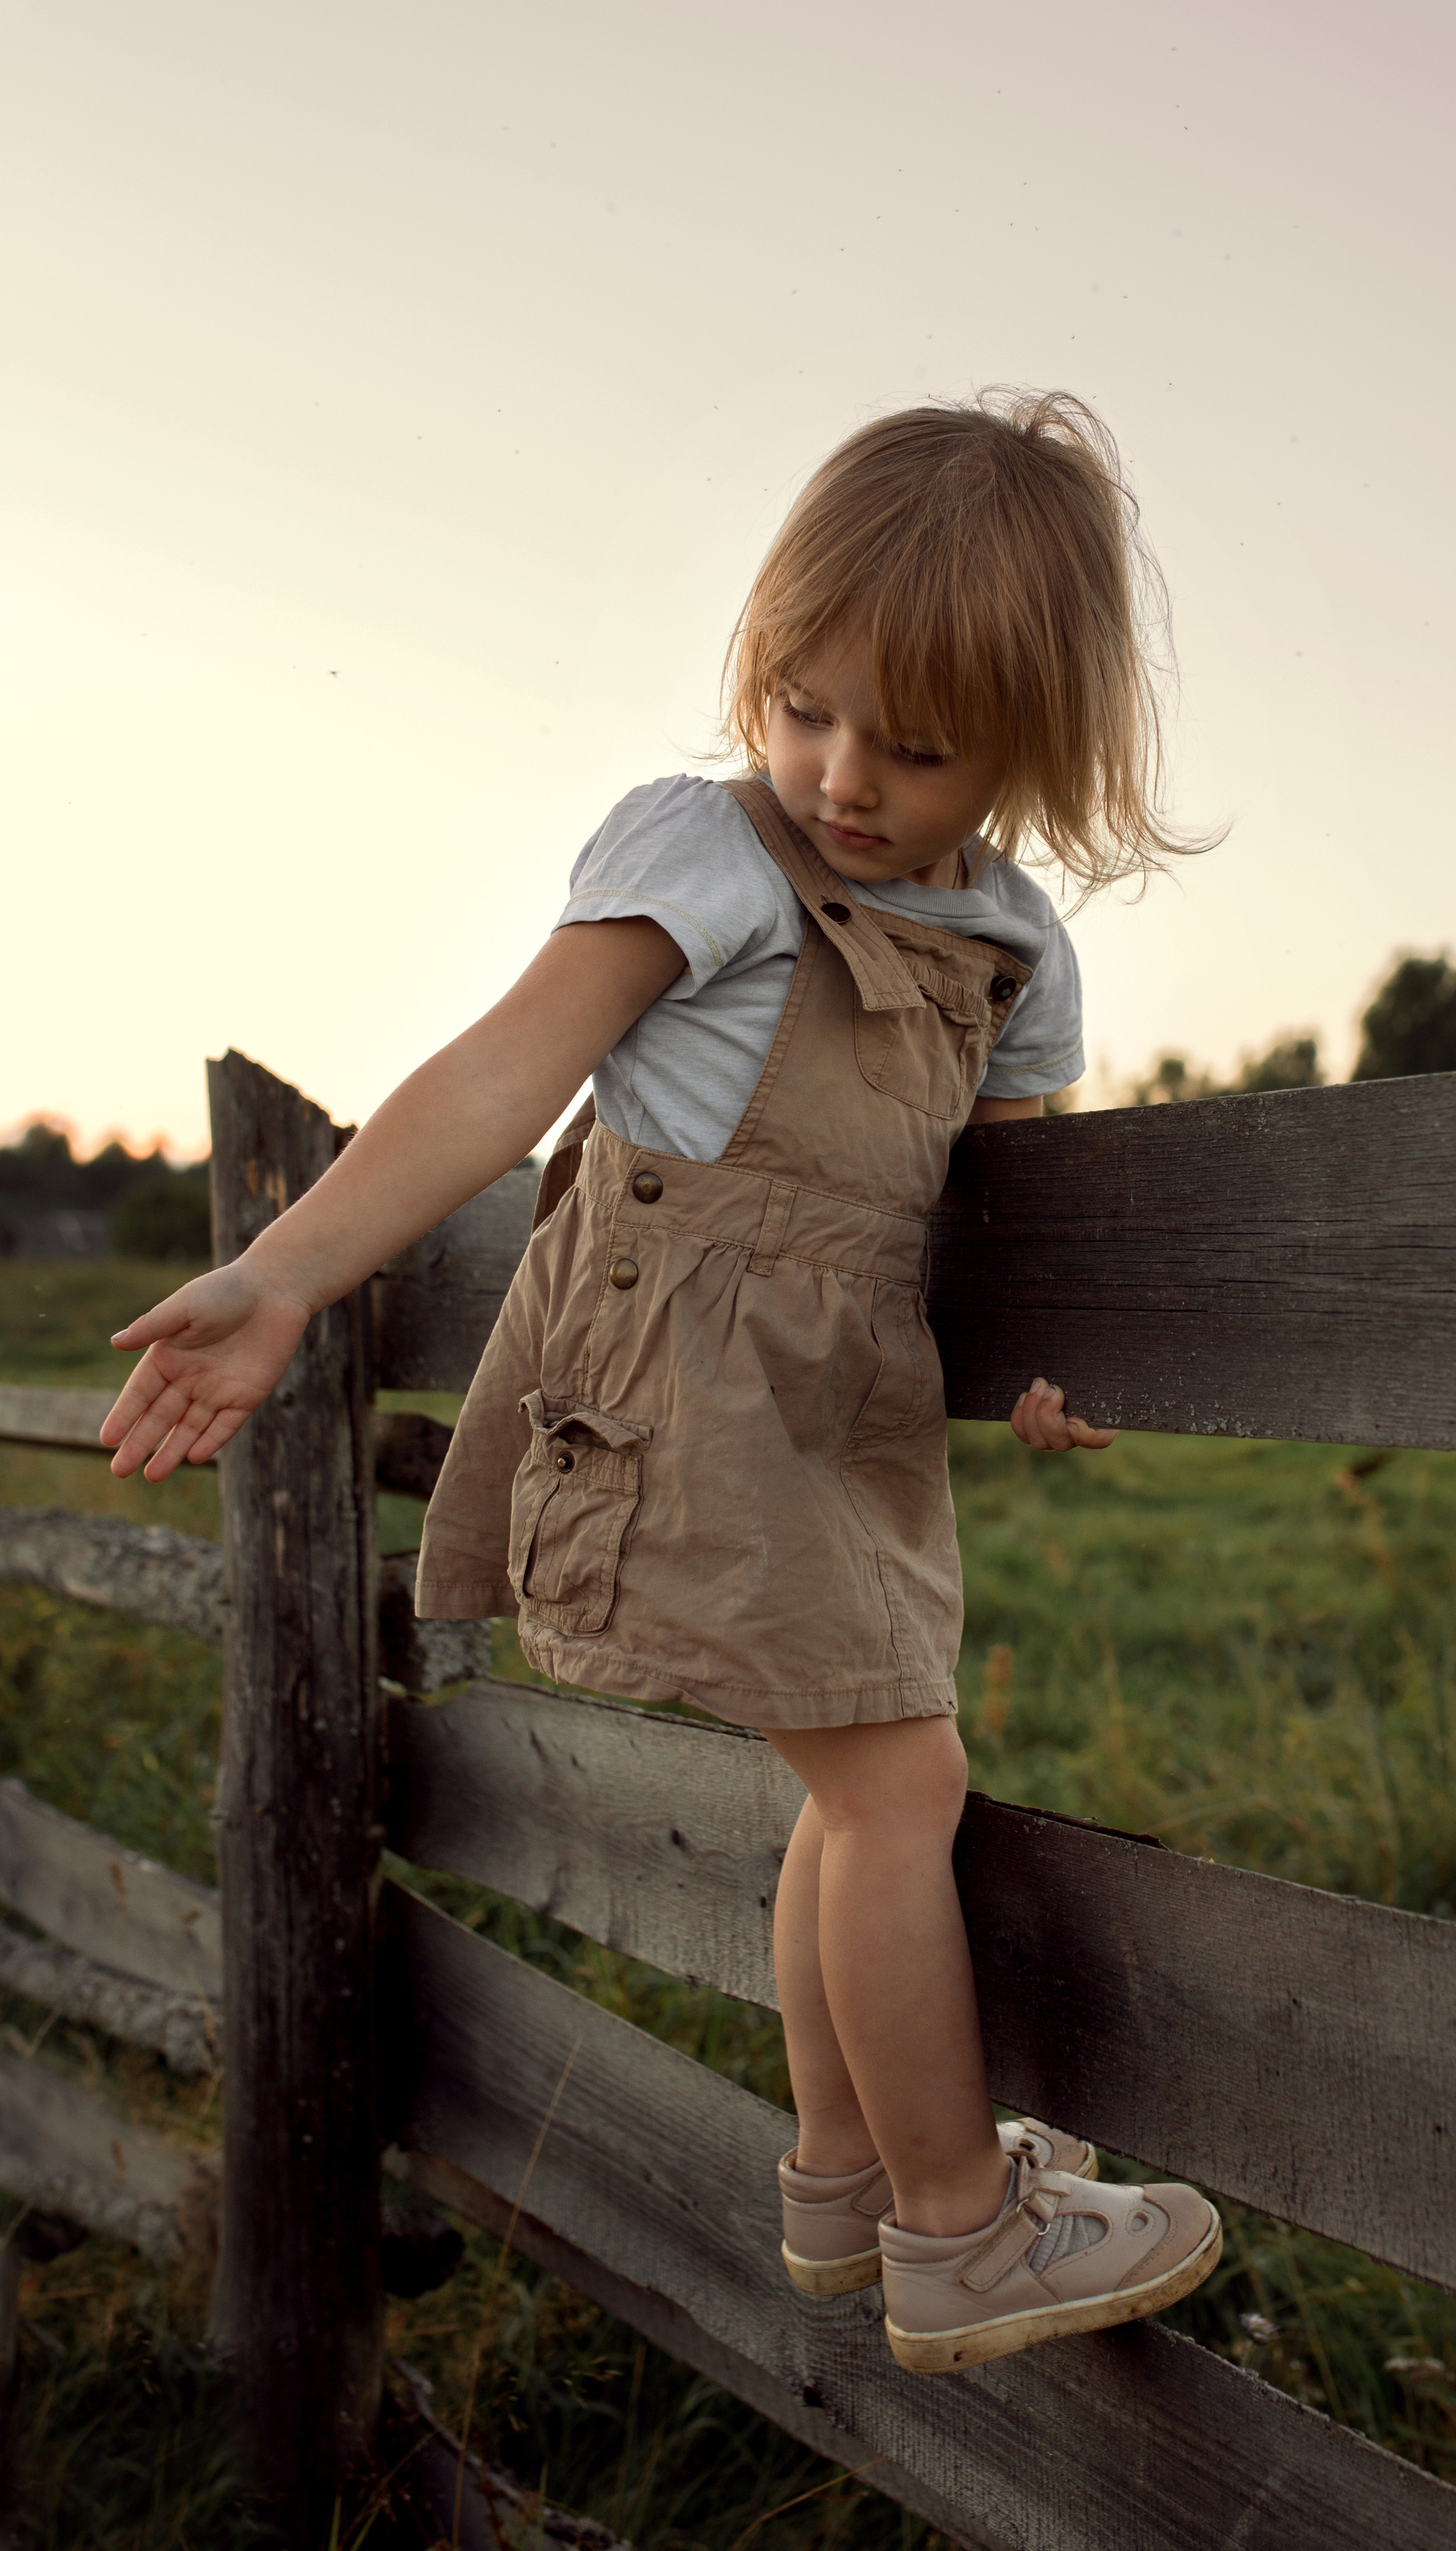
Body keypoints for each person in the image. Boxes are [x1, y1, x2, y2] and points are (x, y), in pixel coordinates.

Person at [99, 390, 1222, 2373]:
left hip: (848, 1406)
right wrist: (286, 1274)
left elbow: (1016, 1211)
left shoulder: (1013, 946)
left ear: (1031, 753)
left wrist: (1041, 1368)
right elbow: (506, 1070)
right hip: (690, 1389)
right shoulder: (705, 852)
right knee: (898, 1785)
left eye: (916, 742)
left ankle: (842, 2180)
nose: (842, 774)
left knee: (850, 1781)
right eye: (806, 705)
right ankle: (961, 2232)